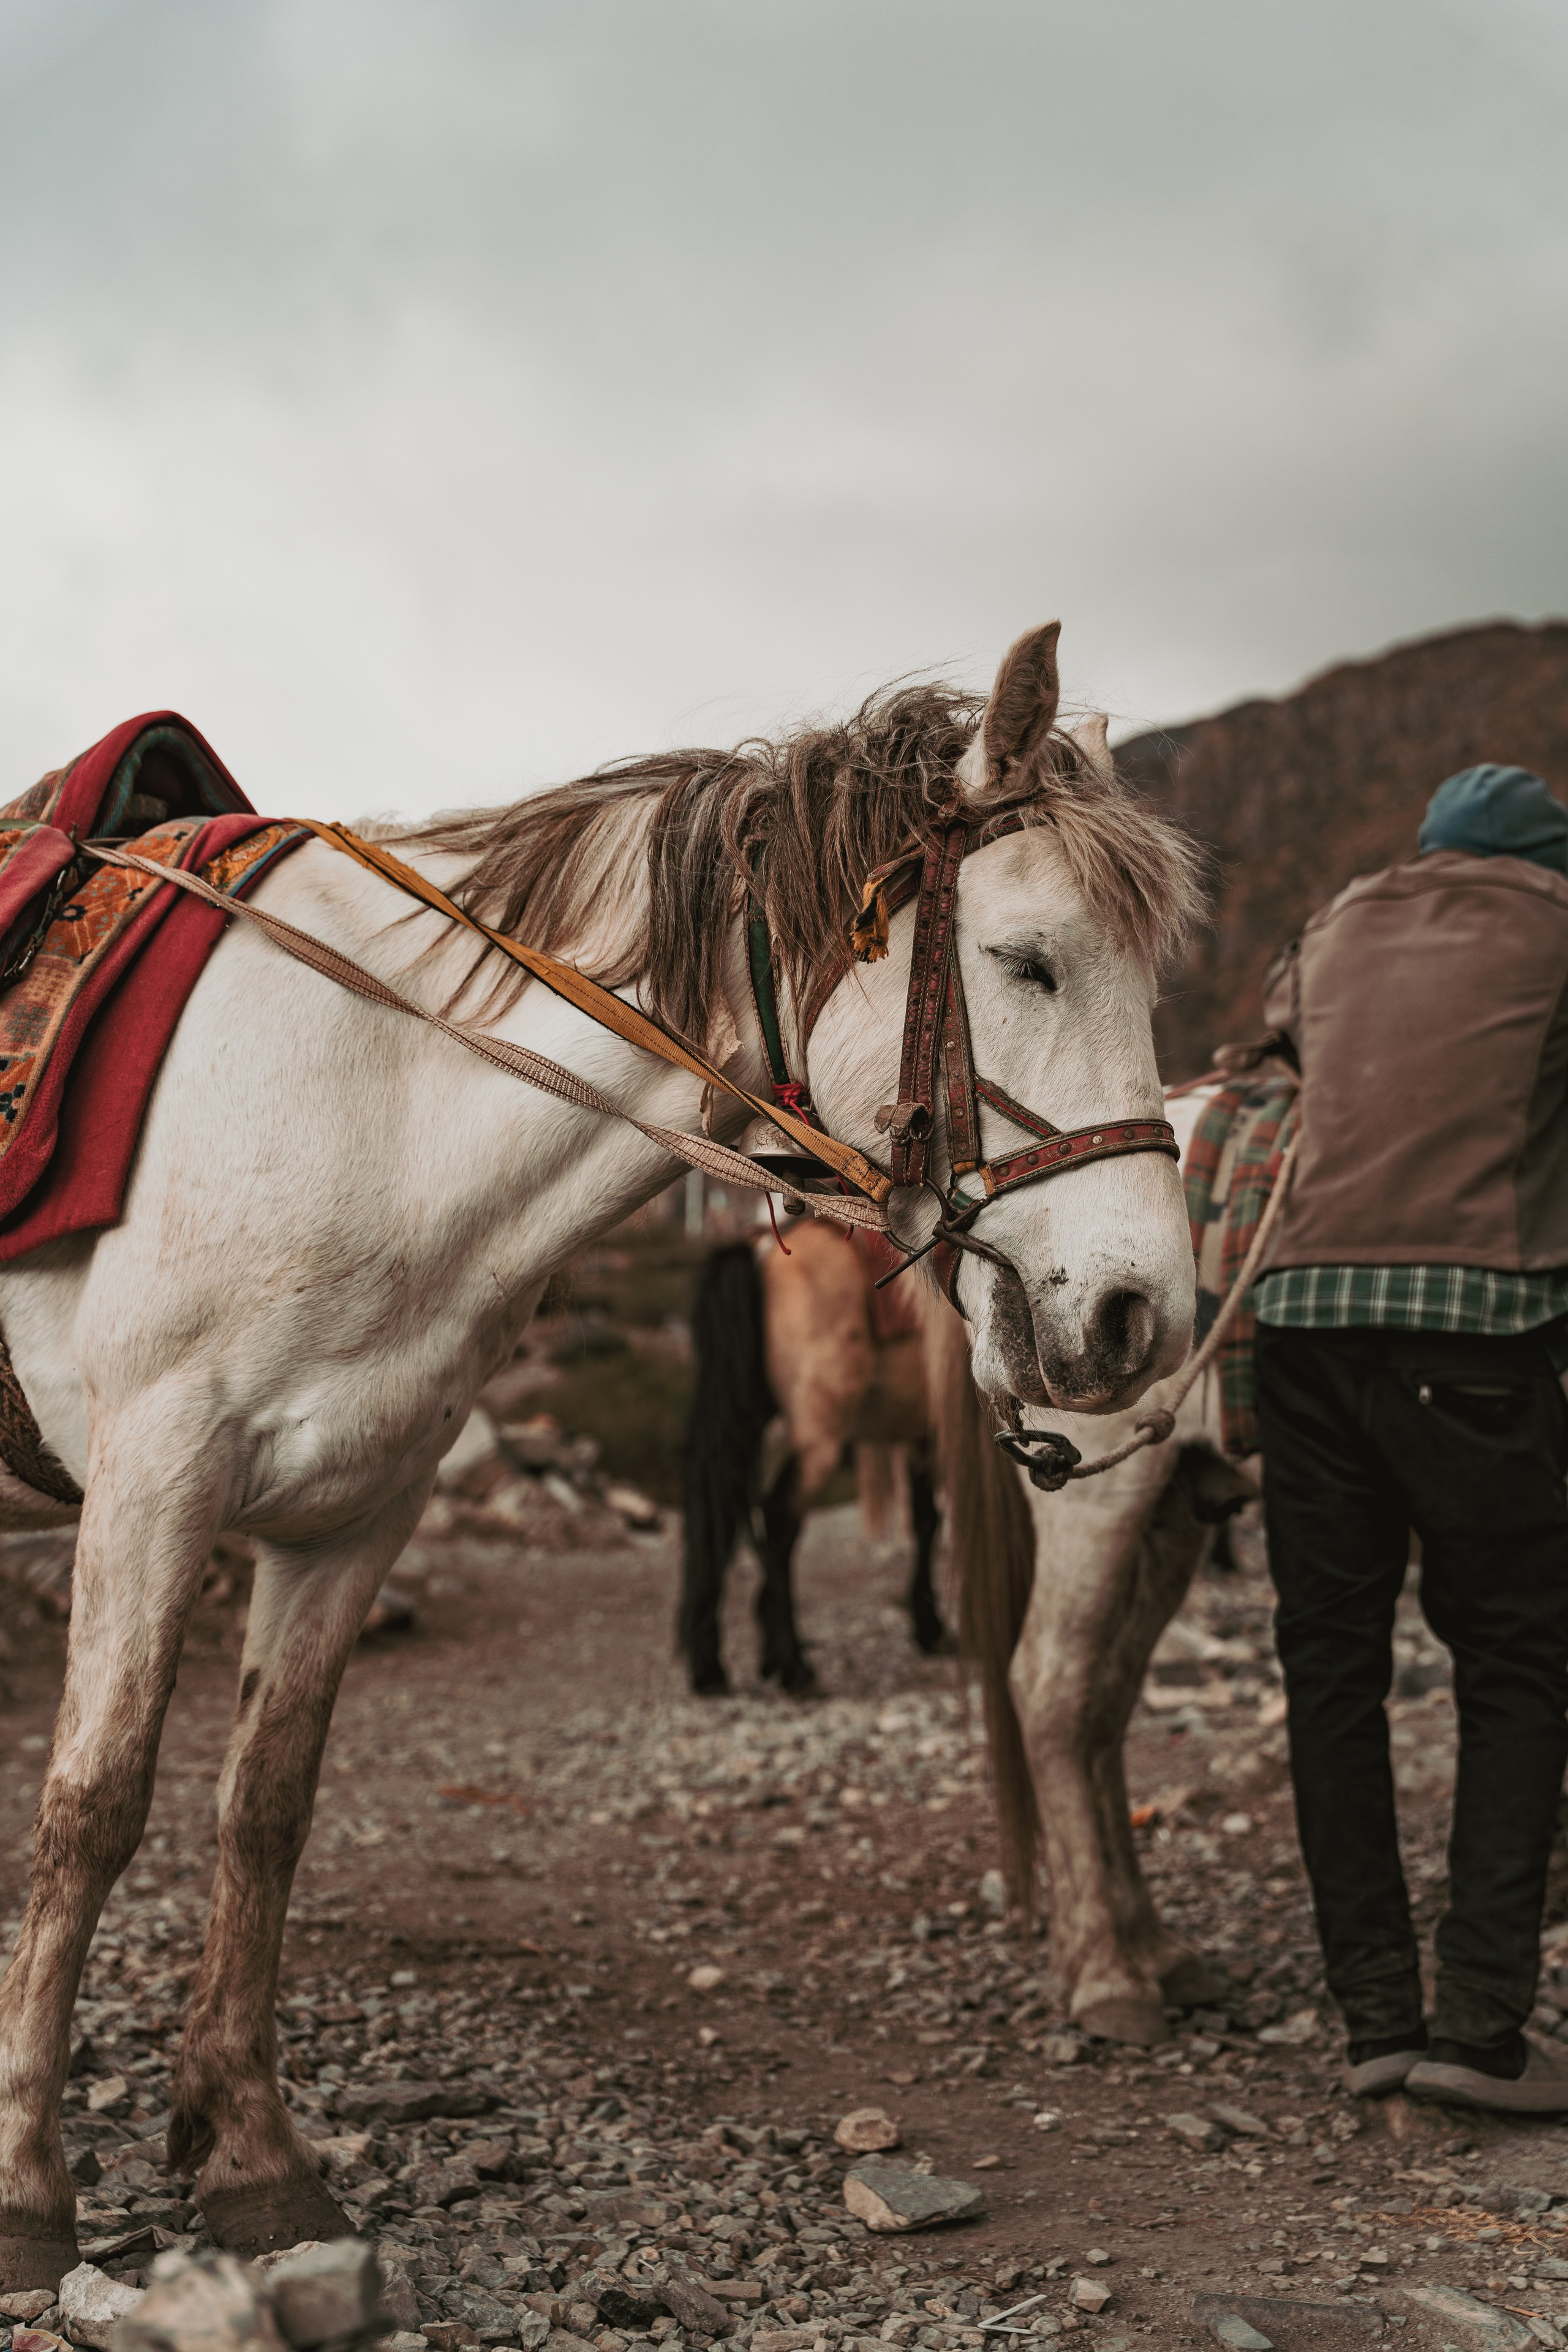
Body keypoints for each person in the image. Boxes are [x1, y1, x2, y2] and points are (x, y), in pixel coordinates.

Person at [1253, 763, 1568, 2112]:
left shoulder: (1331, 924)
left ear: (1430, 850)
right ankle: (1481, 2032)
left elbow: (1280, 1038)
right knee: (1513, 1662)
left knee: (1331, 1672)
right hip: (1473, 1336)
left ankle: (1374, 2017)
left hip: (1299, 1330)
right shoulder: (1557, 923)